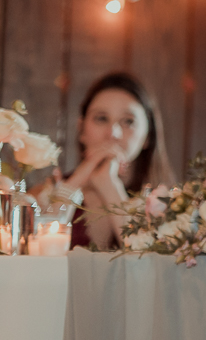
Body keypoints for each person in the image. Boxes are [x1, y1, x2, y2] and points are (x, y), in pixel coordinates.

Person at [51, 72, 175, 250]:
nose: (113, 134)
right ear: (81, 129)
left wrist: (109, 186)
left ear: (148, 135)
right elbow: (40, 246)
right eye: (101, 118)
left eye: (128, 121)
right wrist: (77, 180)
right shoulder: (49, 189)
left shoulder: (169, 202)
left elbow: (148, 263)